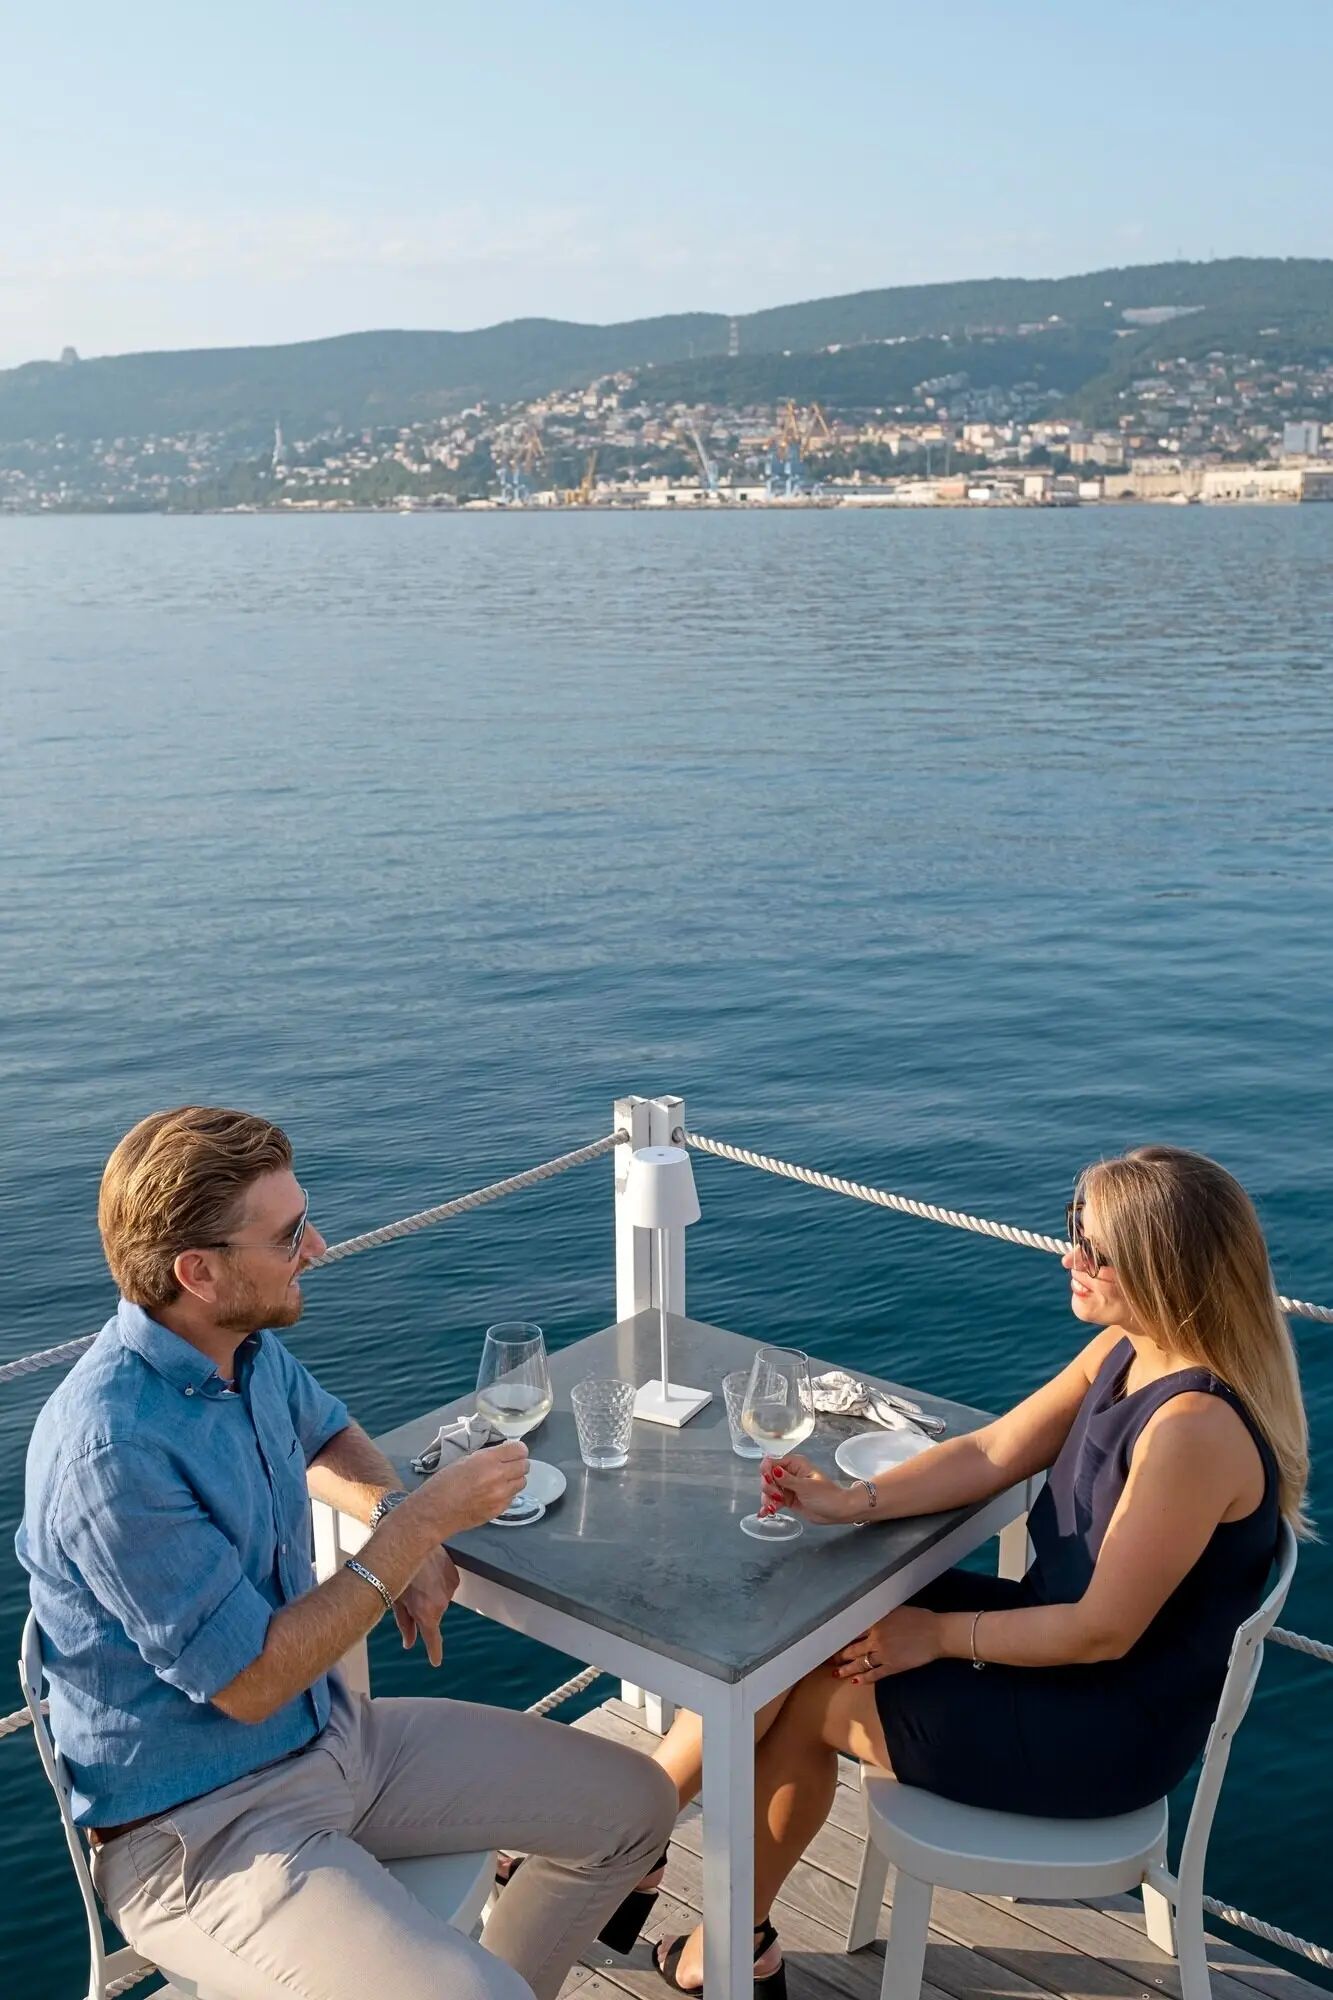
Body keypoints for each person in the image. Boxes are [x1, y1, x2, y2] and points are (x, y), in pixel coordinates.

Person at [17, 1106, 676, 2000]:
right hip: (200, 1835)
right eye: (288, 1235)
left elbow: (326, 1432)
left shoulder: (237, 1353)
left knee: (635, 1810)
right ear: (197, 1272)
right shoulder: (112, 1451)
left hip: (333, 1742)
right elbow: (248, 1683)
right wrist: (411, 1538)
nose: (318, 1247)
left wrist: (394, 1505)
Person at [644, 1145, 1309, 1996]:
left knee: (812, 1695)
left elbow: (1099, 1631)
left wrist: (934, 1635)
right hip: (1047, 1656)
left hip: (1102, 1722)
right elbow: (994, 1450)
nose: (1069, 1256)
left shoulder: (1189, 1429)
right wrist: (854, 1500)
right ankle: (639, 1844)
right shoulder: (1127, 1351)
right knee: (799, 1622)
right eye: (1076, 1233)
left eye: (1094, 1249)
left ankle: (703, 1918)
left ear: (1162, 1269)